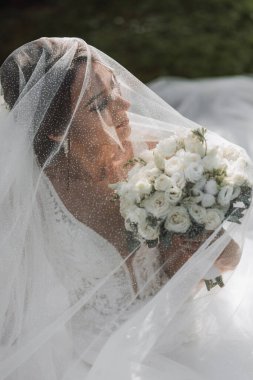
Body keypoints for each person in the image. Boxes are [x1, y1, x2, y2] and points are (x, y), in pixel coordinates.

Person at [0, 37, 252, 380]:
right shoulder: (28, 196)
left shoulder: (165, 159)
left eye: (115, 88)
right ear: (57, 132)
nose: (124, 105)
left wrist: (203, 245)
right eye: (101, 104)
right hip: (94, 361)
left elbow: (221, 265)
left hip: (185, 331)